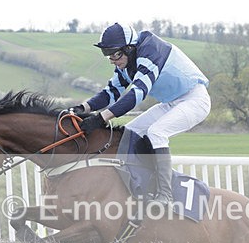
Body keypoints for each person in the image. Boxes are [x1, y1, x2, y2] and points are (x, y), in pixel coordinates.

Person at [73, 23, 211, 205]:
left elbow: (137, 94)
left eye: (115, 54)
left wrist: (101, 118)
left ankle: (165, 195)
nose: (112, 60)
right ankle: (140, 185)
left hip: (195, 100)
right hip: (171, 103)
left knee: (156, 133)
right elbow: (111, 92)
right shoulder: (127, 62)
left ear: (129, 49)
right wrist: (82, 108)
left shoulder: (151, 52)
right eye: (108, 55)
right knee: (129, 134)